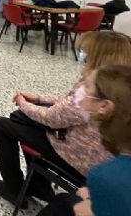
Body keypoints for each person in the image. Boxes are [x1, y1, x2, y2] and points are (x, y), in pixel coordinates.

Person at [0, 31, 131, 209]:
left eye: (88, 53)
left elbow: (51, 118)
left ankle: (13, 189)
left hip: (76, 157)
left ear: (98, 58)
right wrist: (39, 98)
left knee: (2, 125)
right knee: (21, 119)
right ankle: (38, 185)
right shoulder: (119, 90)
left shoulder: (95, 91)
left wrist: (23, 102)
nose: (84, 57)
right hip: (92, 154)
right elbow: (69, 103)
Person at [38, 65, 131, 216]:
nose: (80, 89)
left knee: (62, 205)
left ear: (104, 106)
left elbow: (81, 210)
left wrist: (91, 201)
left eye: (87, 86)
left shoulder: (105, 175)